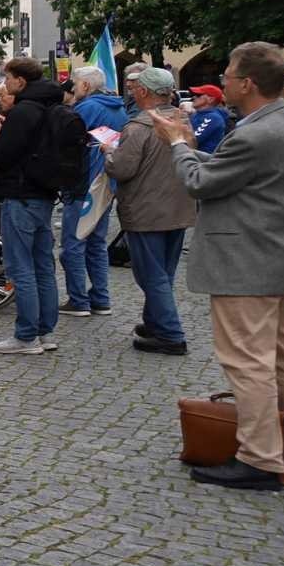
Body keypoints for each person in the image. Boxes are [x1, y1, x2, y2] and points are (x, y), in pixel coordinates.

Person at [152, 42, 284, 491]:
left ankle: (260, 458)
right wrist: (193, 147)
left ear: (247, 83)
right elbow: (242, 175)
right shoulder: (280, 123)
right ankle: (282, 443)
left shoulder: (253, 133)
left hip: (245, 261)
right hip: (278, 257)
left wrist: (177, 144)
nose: (224, 80)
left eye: (228, 74)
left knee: (248, 363)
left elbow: (199, 183)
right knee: (282, 360)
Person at [0, 57, 67, 355]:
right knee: (42, 266)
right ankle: (45, 332)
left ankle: (26, 336)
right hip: (44, 193)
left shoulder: (25, 110)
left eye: (7, 78)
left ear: (21, 81)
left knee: (20, 268)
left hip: (21, 195)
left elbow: (4, 156)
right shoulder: (52, 106)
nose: (4, 84)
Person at [105, 66, 196, 355]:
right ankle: (155, 321)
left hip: (146, 210)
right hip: (178, 207)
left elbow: (122, 168)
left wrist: (108, 152)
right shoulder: (181, 121)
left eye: (134, 88)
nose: (131, 91)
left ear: (143, 91)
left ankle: (170, 334)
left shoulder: (138, 127)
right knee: (163, 271)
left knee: (151, 275)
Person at [59, 66, 127, 319]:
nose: (73, 89)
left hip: (83, 184)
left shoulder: (86, 108)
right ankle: (100, 298)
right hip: (106, 184)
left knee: (74, 244)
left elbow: (66, 143)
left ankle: (78, 300)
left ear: (86, 86)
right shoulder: (118, 108)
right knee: (96, 243)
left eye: (75, 84)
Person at [187, 84, 229, 153]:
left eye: (198, 95)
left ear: (211, 99)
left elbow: (192, 140)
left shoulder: (213, 118)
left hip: (203, 161)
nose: (193, 97)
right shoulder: (196, 114)